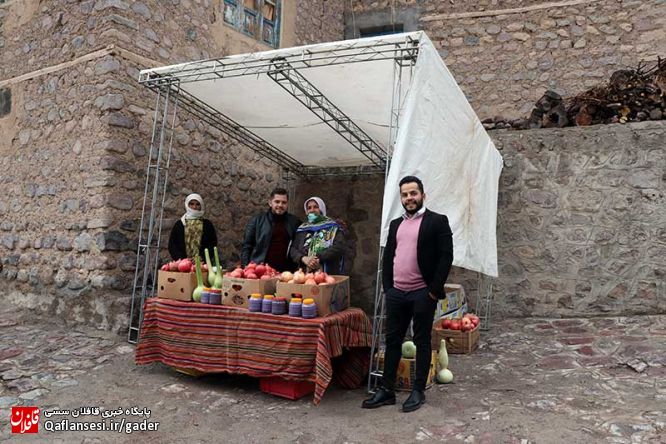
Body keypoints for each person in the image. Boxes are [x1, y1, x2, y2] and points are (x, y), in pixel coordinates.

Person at [362, 175, 453, 413]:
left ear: (423, 195)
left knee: (422, 341)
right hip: (397, 294)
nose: (409, 198)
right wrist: (388, 288)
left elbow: (446, 257)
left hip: (422, 293)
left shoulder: (437, 221)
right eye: (405, 194)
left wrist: (432, 292)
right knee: (392, 341)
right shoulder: (395, 224)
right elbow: (388, 257)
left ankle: (418, 391)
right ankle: (387, 390)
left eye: (413, 193)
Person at [241, 187, 302, 271]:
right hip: (261, 271)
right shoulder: (257, 221)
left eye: (284, 202)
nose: (280, 205)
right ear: (270, 203)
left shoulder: (295, 222)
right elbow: (247, 246)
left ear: (287, 204)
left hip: (286, 273)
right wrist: (246, 268)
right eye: (277, 202)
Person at [289, 197, 346, 274]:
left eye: (316, 207)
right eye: (309, 208)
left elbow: (339, 247)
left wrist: (318, 259)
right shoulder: (302, 229)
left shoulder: (333, 227)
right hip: (305, 273)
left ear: (322, 209)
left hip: (328, 272)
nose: (312, 210)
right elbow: (293, 249)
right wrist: (303, 258)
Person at [168, 193, 218, 261]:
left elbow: (212, 244)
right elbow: (172, 245)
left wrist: (202, 257)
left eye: (197, 204)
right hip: (182, 264)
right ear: (187, 205)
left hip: (202, 264)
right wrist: (182, 259)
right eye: (191, 204)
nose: (194, 207)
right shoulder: (180, 224)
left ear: (201, 206)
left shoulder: (207, 224)